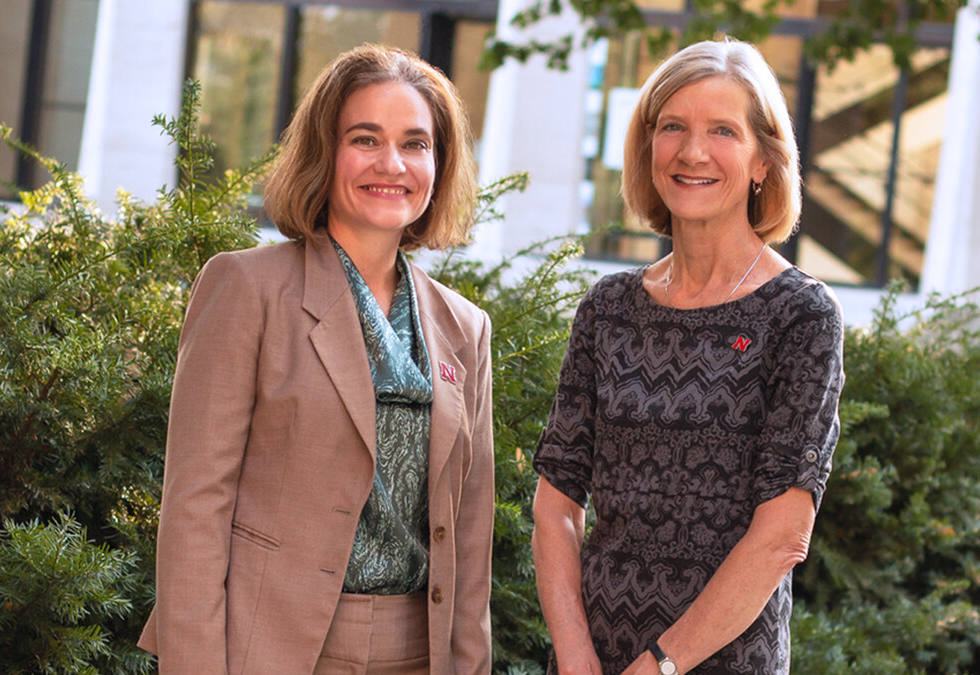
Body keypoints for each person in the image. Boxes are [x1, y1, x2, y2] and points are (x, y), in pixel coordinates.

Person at [138, 44, 494, 675]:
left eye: (416, 144)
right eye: (365, 139)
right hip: (271, 645)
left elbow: (469, 531)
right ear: (323, 153)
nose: (393, 163)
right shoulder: (247, 289)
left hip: (418, 651)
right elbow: (196, 505)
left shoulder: (465, 328)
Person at [532, 39, 844, 675]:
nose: (692, 151)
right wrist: (573, 655)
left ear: (763, 161)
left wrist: (659, 667)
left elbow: (784, 535)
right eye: (672, 126)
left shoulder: (801, 315)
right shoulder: (608, 308)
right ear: (649, 149)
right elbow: (557, 499)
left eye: (722, 130)